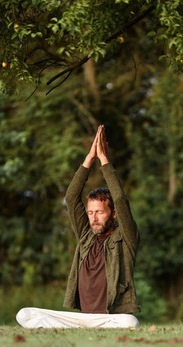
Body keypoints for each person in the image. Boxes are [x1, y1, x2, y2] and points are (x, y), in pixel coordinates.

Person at [16, 125, 140, 328]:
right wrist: (89, 158)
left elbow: (119, 197)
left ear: (114, 213)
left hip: (110, 317)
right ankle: (67, 327)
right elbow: (71, 198)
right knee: (24, 314)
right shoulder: (86, 235)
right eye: (91, 213)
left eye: (99, 212)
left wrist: (103, 160)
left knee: (130, 322)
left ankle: (56, 328)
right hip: (82, 317)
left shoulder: (126, 237)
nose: (94, 218)